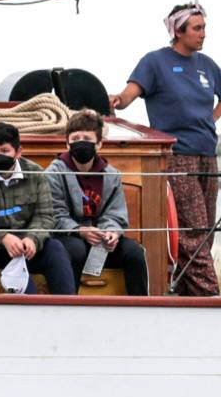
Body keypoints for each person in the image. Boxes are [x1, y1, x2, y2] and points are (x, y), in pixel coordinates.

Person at [109, 0, 221, 296]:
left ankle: (186, 290)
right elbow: (132, 93)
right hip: (178, 158)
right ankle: (209, 295)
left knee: (206, 230)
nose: (203, 34)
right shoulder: (155, 62)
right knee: (193, 231)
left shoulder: (206, 65)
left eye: (204, 27)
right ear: (178, 31)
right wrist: (118, 99)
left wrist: (212, 118)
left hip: (208, 156)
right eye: (197, 28)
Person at [0, 122, 75, 294]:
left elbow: (45, 216)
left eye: (4, 151)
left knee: (55, 248)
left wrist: (33, 238)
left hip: (25, 246)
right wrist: (3, 237)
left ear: (18, 152)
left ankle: (67, 309)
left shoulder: (36, 174)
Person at [46, 110, 149, 295]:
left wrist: (111, 233)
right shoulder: (54, 173)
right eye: (75, 138)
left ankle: (139, 309)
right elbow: (54, 214)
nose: (81, 142)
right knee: (75, 250)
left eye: (87, 137)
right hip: (68, 236)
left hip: (99, 239)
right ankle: (68, 306)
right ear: (67, 143)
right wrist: (80, 231)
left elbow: (115, 213)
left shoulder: (111, 175)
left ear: (99, 143)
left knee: (134, 252)